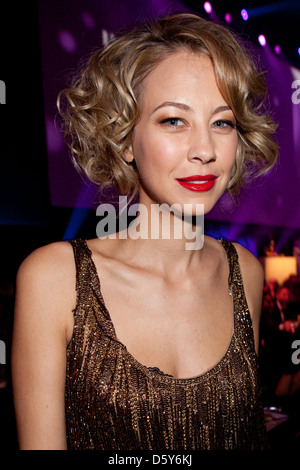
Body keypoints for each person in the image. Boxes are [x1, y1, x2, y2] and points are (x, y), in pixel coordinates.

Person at [11, 13, 278, 450]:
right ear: (123, 139)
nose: (206, 150)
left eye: (223, 122)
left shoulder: (244, 272)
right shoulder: (55, 280)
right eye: (174, 120)